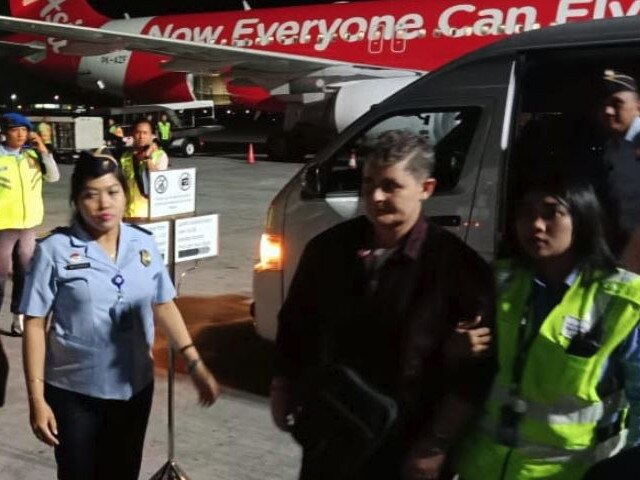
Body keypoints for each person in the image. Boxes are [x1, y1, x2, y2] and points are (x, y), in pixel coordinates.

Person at [271, 130, 495, 480]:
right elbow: (295, 322)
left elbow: (474, 377)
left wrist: (434, 446)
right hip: (331, 435)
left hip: (404, 446)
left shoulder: (458, 269)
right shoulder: (328, 250)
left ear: (426, 188)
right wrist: (282, 385)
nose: (375, 196)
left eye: (391, 186)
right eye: (369, 183)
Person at [20, 148, 220, 480]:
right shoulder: (54, 251)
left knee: (123, 472)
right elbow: (35, 323)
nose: (103, 205)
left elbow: (164, 303)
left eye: (112, 192)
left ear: (125, 195)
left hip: (133, 389)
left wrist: (194, 362)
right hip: (73, 394)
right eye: (90, 195)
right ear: (76, 200)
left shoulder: (143, 244)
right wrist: (36, 398)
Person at [454, 175, 640, 479]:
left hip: (572, 472)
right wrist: (455, 348)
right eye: (526, 213)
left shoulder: (623, 300)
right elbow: (472, 376)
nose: (536, 225)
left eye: (552, 212)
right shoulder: (501, 282)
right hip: (484, 466)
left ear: (581, 219)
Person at [0, 112, 59, 335]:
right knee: (0, 276)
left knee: (25, 274)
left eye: (24, 130)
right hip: (3, 226)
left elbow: (53, 177)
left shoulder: (32, 157)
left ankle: (18, 317)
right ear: (5, 133)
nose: (21, 135)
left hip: (28, 225)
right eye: (16, 130)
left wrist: (43, 151)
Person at [598, 70, 640, 253]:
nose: (608, 111)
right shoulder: (613, 144)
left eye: (617, 104)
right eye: (605, 104)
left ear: (638, 107)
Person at [119, 118, 169, 218]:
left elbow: (158, 183)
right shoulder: (125, 156)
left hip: (148, 215)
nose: (141, 136)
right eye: (138, 132)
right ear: (133, 134)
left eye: (145, 133)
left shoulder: (160, 155)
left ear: (152, 135)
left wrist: (147, 157)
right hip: (127, 214)